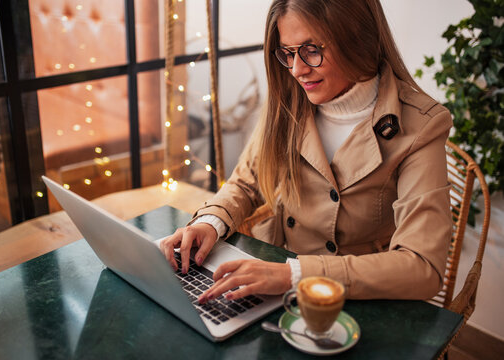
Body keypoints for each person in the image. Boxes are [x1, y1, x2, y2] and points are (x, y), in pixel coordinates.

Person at [160, 0, 452, 304]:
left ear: (357, 39)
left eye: (312, 50)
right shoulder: (288, 102)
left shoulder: (421, 125)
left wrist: (293, 275)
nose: (297, 70)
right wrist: (210, 222)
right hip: (279, 289)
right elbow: (246, 182)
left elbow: (422, 268)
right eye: (288, 53)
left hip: (361, 300)